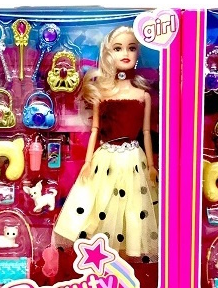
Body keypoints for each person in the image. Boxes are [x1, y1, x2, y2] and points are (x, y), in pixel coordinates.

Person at [53, 26, 159, 265]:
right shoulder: (102, 94)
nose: (126, 53)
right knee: (99, 203)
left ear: (138, 53)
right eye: (118, 48)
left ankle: (126, 262)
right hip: (106, 158)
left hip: (134, 159)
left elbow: (145, 132)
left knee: (133, 208)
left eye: (131, 48)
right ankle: (102, 260)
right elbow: (95, 130)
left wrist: (152, 165)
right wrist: (87, 161)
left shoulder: (142, 95)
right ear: (108, 53)